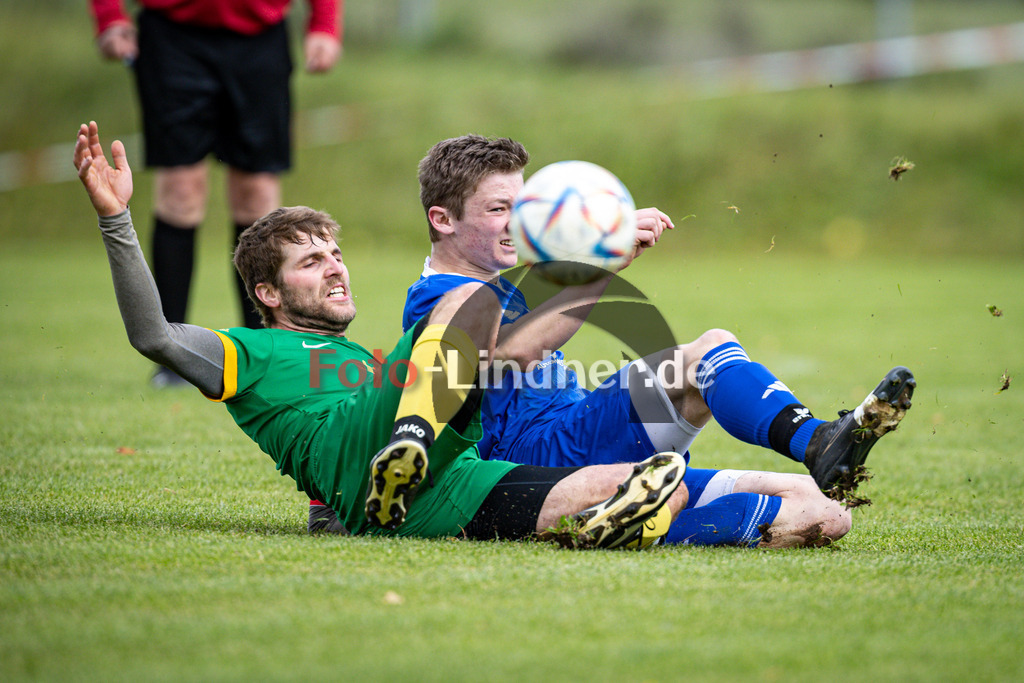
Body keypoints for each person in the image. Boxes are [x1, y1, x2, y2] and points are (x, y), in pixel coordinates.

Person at [73, 120, 691, 549]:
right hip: (383, 455)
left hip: (439, 476)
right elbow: (153, 334)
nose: (336, 267)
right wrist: (115, 218)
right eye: (311, 262)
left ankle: (759, 496)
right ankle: (408, 443)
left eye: (335, 254)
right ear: (267, 294)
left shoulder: (358, 362)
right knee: (464, 306)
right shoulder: (248, 352)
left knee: (664, 485)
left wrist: (326, 509)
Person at [369, 134, 913, 549]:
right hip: (534, 460)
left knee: (823, 513)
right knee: (707, 351)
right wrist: (606, 259)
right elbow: (516, 351)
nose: (518, 223)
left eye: (523, 205)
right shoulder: (437, 296)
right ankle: (812, 444)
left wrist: (600, 239)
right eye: (498, 210)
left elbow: (555, 281)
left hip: (577, 431)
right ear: (442, 220)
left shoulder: (504, 278)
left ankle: (805, 451)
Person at [88, 0, 343, 386]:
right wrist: (109, 15)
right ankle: (174, 359)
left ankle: (265, 354)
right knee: (181, 191)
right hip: (173, 35)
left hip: (260, 37)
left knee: (258, 195)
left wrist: (324, 22)